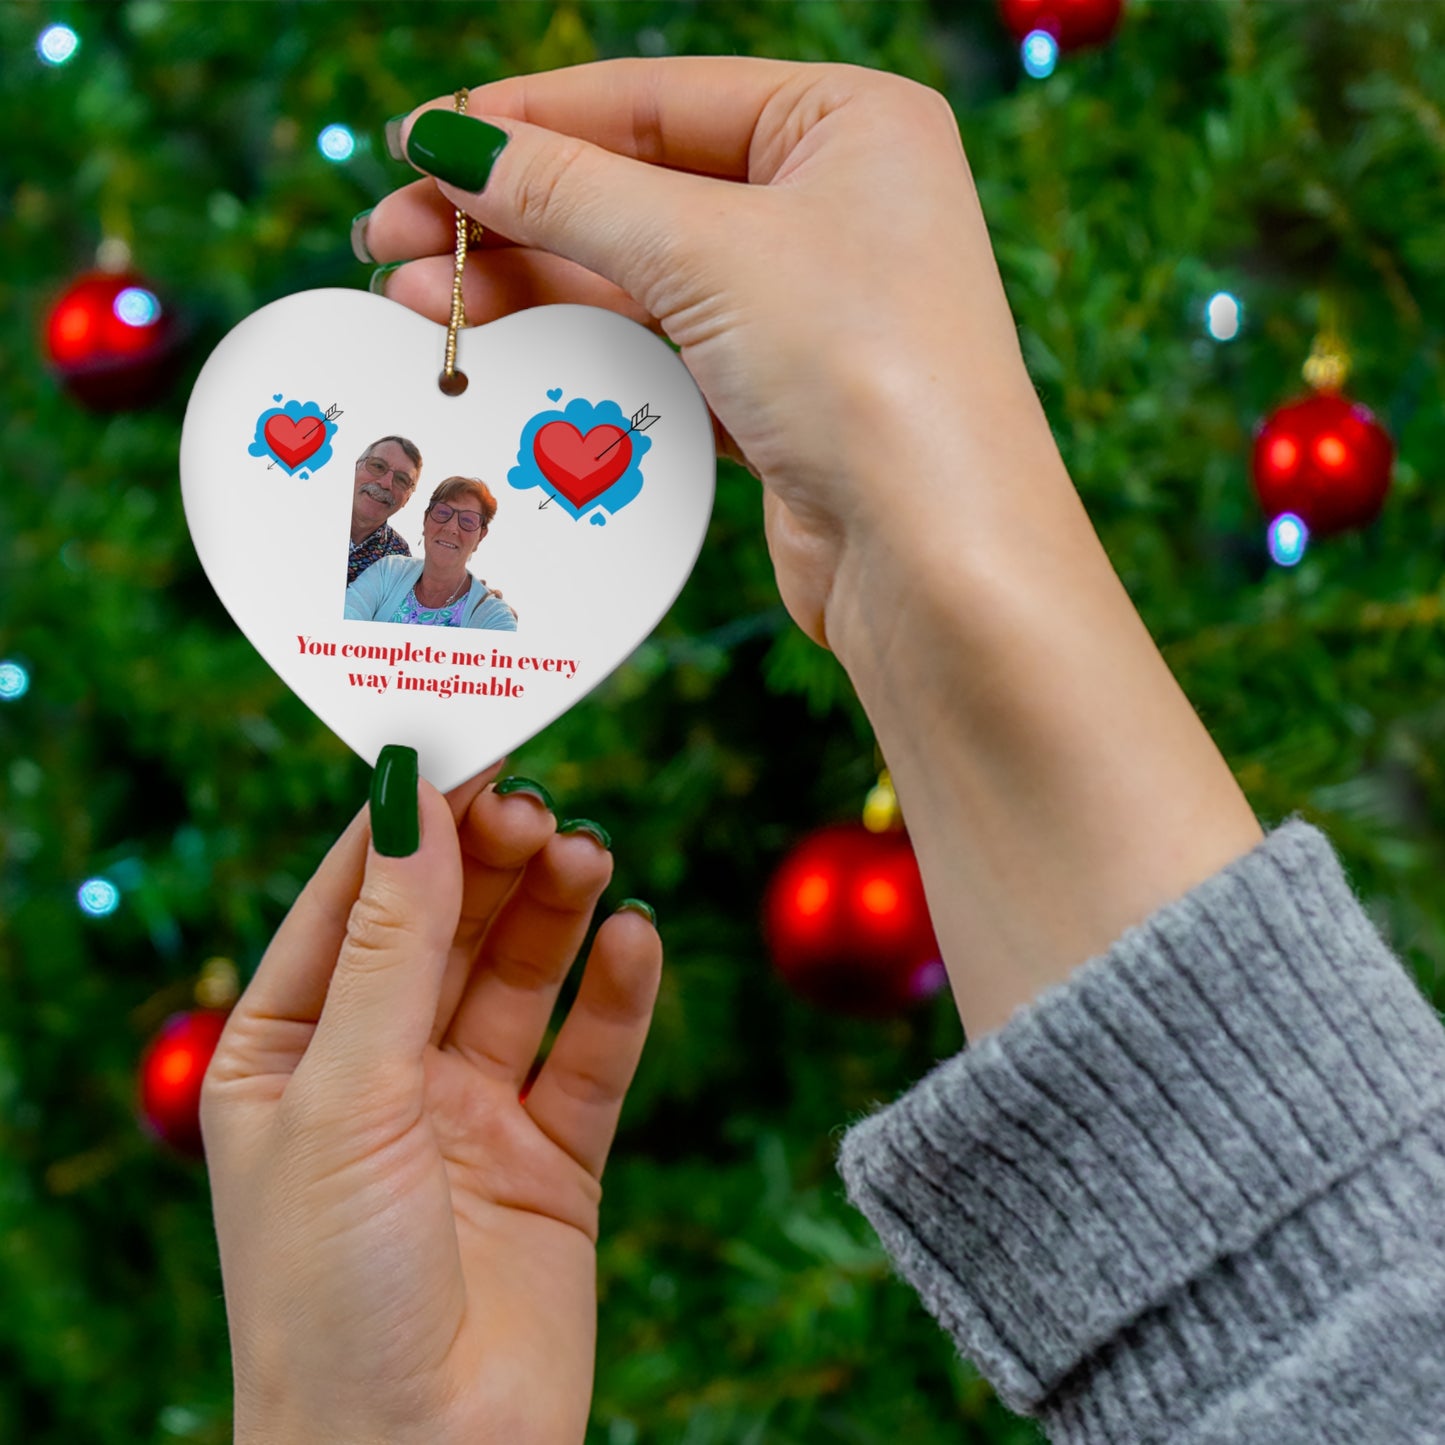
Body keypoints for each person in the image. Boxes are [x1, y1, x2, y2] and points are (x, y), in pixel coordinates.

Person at [202, 56, 1445, 1445]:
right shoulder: (368, 575)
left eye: (437, 509)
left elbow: (1341, 1335)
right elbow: (1339, 1334)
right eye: (400, 496)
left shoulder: (485, 601)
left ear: (476, 533)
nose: (417, 514)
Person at [344, 475, 518, 630]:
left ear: (481, 536)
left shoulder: (493, 617)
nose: (451, 528)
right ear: (425, 520)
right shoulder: (388, 570)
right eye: (442, 512)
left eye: (468, 520)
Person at [348, 434, 422, 585]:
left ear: (407, 498)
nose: (385, 483)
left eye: (402, 480)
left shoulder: (399, 559)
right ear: (356, 467)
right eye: (378, 466)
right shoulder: (309, 509)